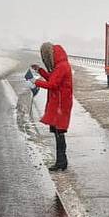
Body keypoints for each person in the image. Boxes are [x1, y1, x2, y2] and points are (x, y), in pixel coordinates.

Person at [32, 42, 74, 171]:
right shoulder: (60, 65)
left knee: (59, 133)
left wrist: (36, 82)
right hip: (59, 103)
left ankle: (61, 162)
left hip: (60, 105)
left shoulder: (61, 66)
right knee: (58, 132)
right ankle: (61, 161)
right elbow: (52, 79)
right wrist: (40, 71)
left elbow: (53, 84)